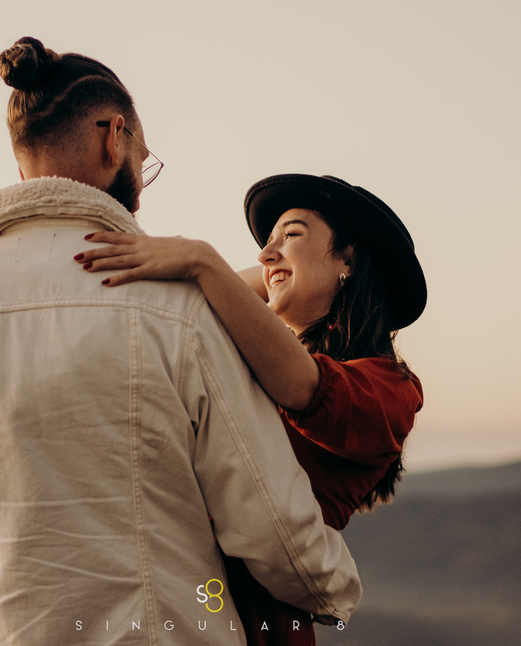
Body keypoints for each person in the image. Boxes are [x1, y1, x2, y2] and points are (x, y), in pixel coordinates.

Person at [0, 38, 361, 646]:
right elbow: (266, 519)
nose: (142, 174)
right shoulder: (176, 304)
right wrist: (336, 587)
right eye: (144, 157)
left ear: (21, 165)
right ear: (113, 137)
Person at [76, 173, 426, 645]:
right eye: (268, 241)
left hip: (253, 619)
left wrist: (201, 260)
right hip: (173, 592)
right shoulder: (263, 356)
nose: (265, 254)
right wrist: (267, 267)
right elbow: (240, 292)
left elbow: (306, 389)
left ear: (349, 257)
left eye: (293, 233)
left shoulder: (393, 388)